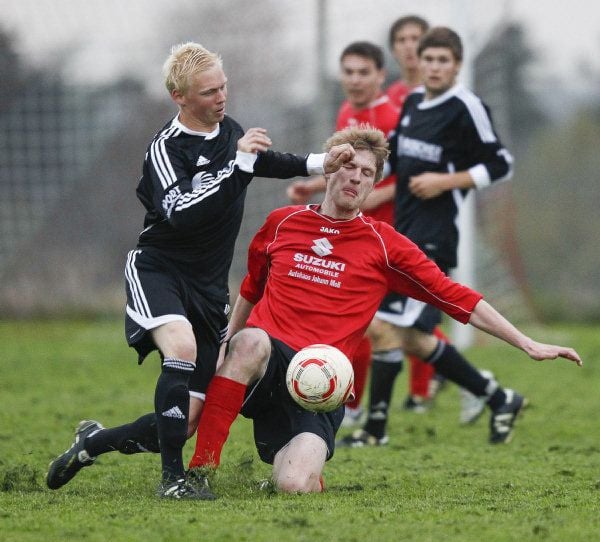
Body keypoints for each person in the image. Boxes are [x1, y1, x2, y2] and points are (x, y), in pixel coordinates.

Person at [185, 126, 581, 498]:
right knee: (250, 341)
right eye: (348, 166)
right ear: (329, 169)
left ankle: (303, 468)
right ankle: (200, 473)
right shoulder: (281, 223)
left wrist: (527, 343)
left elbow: (456, 297)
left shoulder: (384, 245)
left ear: (374, 184)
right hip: (268, 362)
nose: (356, 177)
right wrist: (226, 345)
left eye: (367, 173)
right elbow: (251, 288)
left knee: (293, 486)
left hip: (319, 385)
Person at [45, 42, 355, 500]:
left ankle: (92, 443)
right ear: (180, 97)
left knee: (184, 421)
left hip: (209, 289)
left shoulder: (228, 130)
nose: (221, 97)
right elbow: (182, 212)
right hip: (160, 270)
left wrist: (317, 162)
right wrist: (239, 165)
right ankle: (173, 481)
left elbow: (260, 162)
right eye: (209, 92)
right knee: (182, 347)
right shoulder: (165, 149)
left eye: (223, 87)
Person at [338, 26, 516, 448]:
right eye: (428, 59)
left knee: (380, 328)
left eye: (443, 61)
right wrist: (332, 179)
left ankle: (374, 429)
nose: (434, 67)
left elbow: (501, 163)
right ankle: (497, 396)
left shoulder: (466, 106)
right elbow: (393, 154)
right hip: (406, 231)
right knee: (412, 338)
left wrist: (445, 181)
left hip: (435, 236)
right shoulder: (416, 101)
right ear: (418, 61)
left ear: (457, 65)